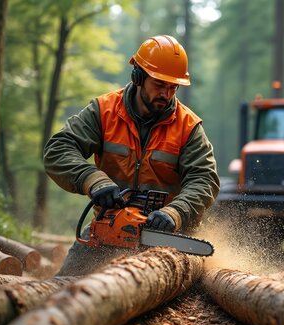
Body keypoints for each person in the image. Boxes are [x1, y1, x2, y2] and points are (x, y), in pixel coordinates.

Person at [44, 35, 220, 276]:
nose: (166, 94)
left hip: (165, 237)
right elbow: (58, 149)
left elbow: (204, 179)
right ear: (138, 76)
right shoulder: (104, 111)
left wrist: (175, 212)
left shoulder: (187, 127)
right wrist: (93, 181)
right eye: (159, 84)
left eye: (172, 87)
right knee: (64, 285)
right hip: (110, 228)